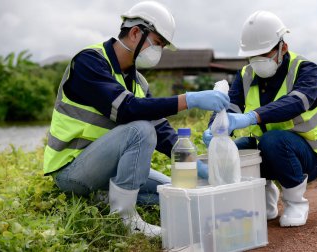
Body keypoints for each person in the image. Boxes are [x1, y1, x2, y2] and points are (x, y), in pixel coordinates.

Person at [43, 1, 229, 237]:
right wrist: (188, 100)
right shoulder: (89, 62)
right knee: (140, 129)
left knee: (168, 190)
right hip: (72, 171)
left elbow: (161, 129)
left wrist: (196, 165)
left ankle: (105, 196)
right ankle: (124, 218)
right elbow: (126, 109)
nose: (159, 51)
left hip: (105, 169)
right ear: (134, 33)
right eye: (158, 43)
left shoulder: (138, 81)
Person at [203, 10, 317, 227]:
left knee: (273, 140)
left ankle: (295, 203)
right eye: (253, 55)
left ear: (283, 47)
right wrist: (216, 128)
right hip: (273, 150)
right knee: (238, 149)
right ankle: (265, 199)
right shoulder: (245, 74)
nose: (259, 60)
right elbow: (231, 106)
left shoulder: (306, 70)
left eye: (265, 53)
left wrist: (252, 117)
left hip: (309, 155)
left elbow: (295, 103)